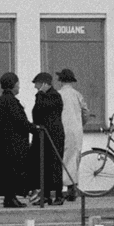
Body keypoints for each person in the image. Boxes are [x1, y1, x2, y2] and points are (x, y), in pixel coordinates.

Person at [0, 71, 33, 209]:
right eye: (18, 84)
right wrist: (33, 128)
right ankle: (11, 198)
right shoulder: (10, 101)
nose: (19, 87)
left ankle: (9, 198)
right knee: (13, 170)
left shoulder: (1, 100)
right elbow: (19, 121)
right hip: (13, 143)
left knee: (7, 170)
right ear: (13, 85)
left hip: (5, 142)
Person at [29, 72, 66, 205]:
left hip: (53, 136)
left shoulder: (54, 96)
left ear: (44, 84)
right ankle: (45, 195)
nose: (35, 87)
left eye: (37, 84)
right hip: (43, 135)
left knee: (54, 164)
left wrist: (40, 94)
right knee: (43, 165)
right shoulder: (46, 96)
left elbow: (41, 109)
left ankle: (58, 195)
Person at [56, 69, 88, 200]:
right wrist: (81, 124)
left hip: (61, 130)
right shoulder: (77, 95)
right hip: (76, 131)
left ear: (61, 81)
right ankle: (72, 188)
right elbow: (85, 112)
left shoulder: (58, 94)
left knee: (61, 158)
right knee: (74, 159)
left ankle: (60, 189)